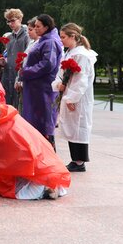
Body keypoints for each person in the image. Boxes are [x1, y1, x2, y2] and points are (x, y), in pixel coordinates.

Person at [0, 99, 70, 199]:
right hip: (38, 159)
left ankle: (43, 190)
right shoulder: (4, 117)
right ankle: (48, 185)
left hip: (28, 165)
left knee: (14, 191)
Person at [53, 23, 98, 172]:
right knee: (72, 127)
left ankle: (79, 161)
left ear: (73, 36)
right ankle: (75, 159)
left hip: (78, 97)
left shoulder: (81, 55)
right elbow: (61, 73)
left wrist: (72, 98)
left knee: (79, 127)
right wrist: (59, 84)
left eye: (63, 37)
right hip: (69, 93)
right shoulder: (70, 53)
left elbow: (81, 80)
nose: (61, 40)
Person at [19, 14, 63, 144]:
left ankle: (47, 151)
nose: (35, 29)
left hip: (42, 88)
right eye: (35, 26)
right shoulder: (45, 40)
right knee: (37, 122)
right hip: (37, 87)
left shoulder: (50, 42)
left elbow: (47, 64)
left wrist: (27, 71)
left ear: (46, 27)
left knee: (43, 122)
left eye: (38, 26)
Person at [0, 8, 29, 106]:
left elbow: (27, 58)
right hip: (8, 75)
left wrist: (21, 78)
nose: (10, 24)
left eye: (13, 20)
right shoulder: (9, 38)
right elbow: (8, 56)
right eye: (8, 21)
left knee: (19, 105)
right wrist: (3, 62)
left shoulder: (27, 36)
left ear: (20, 19)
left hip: (19, 75)